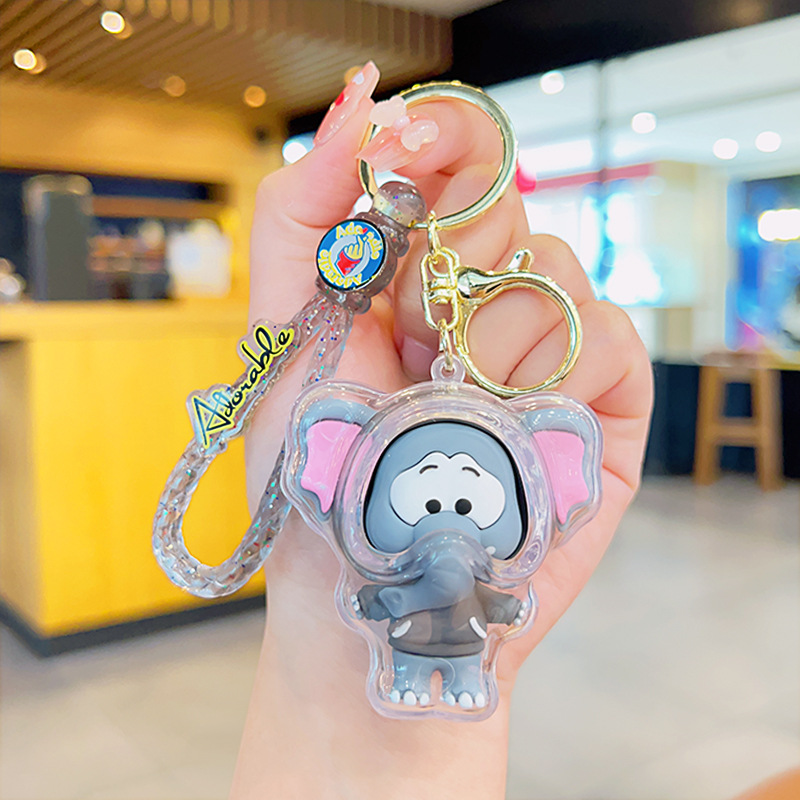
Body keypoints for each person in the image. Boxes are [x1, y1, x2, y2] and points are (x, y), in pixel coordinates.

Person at [231, 62, 653, 799]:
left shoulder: (510, 549)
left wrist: (405, 754)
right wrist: (326, 675)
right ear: (330, 472)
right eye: (428, 500)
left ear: (554, 486)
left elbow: (503, 604)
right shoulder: (341, 495)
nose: (447, 524)